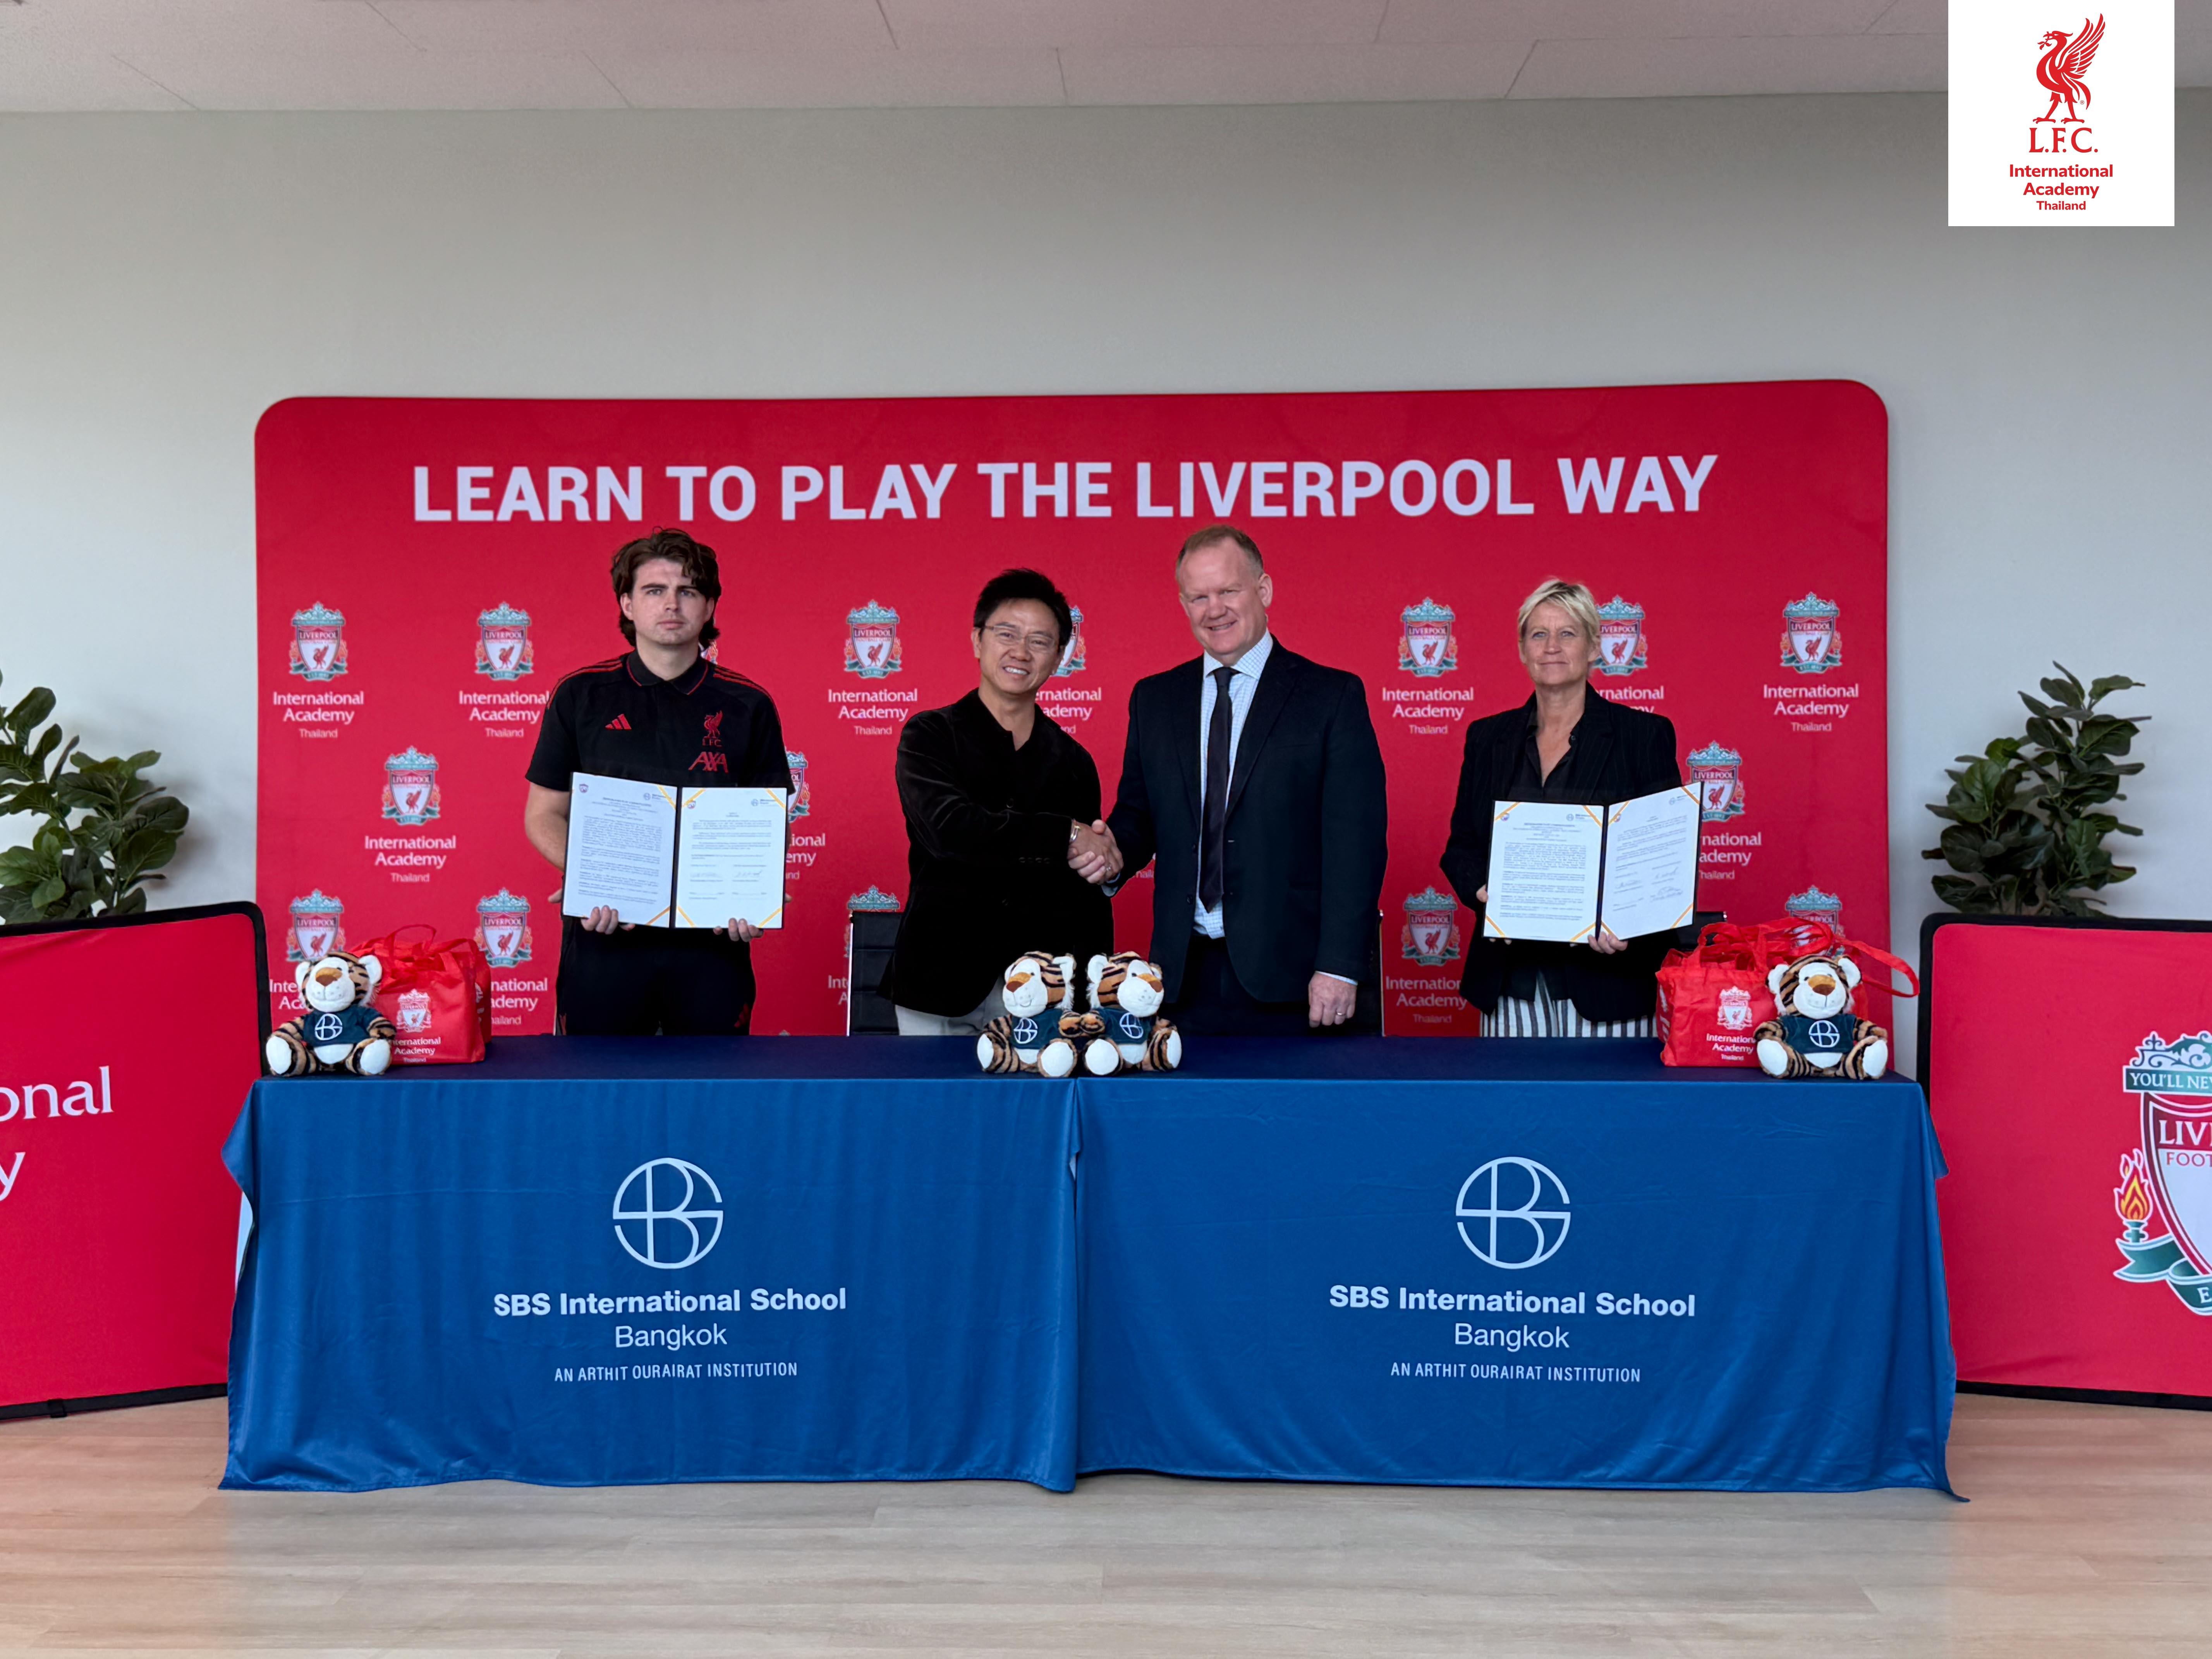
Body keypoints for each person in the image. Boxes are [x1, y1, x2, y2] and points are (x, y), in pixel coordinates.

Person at [1084, 524, 1387, 1036]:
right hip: (1182, 977)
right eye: (1199, 597)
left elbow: (1356, 844)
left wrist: (1339, 965)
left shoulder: (1331, 697)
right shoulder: (1154, 700)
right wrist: (1109, 854)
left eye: (1228, 591)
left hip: (1295, 979)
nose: (1214, 609)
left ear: (1263, 591)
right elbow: (1139, 815)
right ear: (1184, 605)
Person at [523, 527, 791, 1035]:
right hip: (605, 932)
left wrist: (752, 894)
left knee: (714, 1081)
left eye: (688, 591)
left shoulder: (748, 705)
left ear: (709, 607)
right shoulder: (580, 695)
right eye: (654, 590)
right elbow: (544, 814)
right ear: (627, 604)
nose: (672, 604)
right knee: (596, 1080)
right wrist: (589, 875)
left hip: (712, 943)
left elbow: (770, 823)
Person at [1440, 579, 1683, 1037]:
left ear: (1594, 647)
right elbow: (1462, 847)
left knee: (1609, 1090)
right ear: (1522, 649)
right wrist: (1485, 892)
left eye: (1567, 633)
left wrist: (1629, 923)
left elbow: (1662, 859)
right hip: (1511, 979)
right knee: (1515, 1089)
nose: (1551, 647)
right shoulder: (1487, 738)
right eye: (1539, 634)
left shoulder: (1643, 737)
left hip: (1609, 980)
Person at [887, 569, 1116, 1035]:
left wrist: (1094, 996)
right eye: (1007, 634)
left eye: (1039, 641)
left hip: (1042, 992)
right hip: (939, 980)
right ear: (978, 640)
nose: (1021, 652)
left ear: (1059, 657)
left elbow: (1083, 890)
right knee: (930, 1088)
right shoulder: (930, 735)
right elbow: (951, 831)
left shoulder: (1075, 761)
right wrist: (1063, 833)